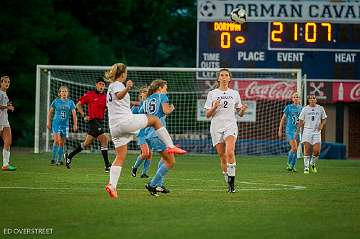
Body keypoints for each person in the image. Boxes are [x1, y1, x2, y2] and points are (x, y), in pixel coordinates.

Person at [104, 63, 186, 199]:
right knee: (154, 120)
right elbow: (119, 96)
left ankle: (112, 185)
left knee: (120, 156)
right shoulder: (118, 85)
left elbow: (136, 109)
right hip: (125, 122)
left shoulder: (111, 88)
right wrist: (128, 88)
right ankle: (171, 147)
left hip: (114, 127)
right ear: (123, 73)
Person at [204, 68, 247, 193]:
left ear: (229, 78)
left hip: (230, 125)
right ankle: (228, 181)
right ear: (218, 78)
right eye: (221, 75)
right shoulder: (212, 93)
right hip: (216, 126)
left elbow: (240, 113)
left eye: (226, 75)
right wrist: (214, 107)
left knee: (229, 152)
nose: (223, 77)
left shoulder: (234, 93)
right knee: (222, 156)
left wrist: (243, 109)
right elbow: (207, 114)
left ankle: (232, 185)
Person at [65, 78, 111, 172]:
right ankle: (107, 165)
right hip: (93, 121)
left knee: (86, 144)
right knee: (104, 139)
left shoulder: (106, 97)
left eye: (103, 84)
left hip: (100, 121)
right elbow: (78, 105)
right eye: (100, 84)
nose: (101, 86)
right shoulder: (90, 94)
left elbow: (106, 108)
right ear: (96, 85)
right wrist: (84, 115)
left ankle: (69, 156)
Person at [140, 79, 175, 196]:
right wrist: (170, 109)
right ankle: (152, 184)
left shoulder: (146, 100)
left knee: (164, 159)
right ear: (160, 88)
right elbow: (166, 111)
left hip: (149, 134)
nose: (167, 90)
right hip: (158, 134)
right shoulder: (162, 97)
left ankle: (158, 185)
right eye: (165, 87)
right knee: (171, 161)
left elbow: (140, 115)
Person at [47, 86, 77, 165]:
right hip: (56, 124)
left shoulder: (70, 102)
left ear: (68, 93)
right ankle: (53, 159)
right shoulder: (56, 101)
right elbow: (50, 112)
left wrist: (75, 124)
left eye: (65, 91)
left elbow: (74, 114)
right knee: (56, 141)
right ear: (59, 93)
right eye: (62, 91)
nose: (64, 93)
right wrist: (48, 122)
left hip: (65, 125)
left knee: (62, 143)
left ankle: (59, 160)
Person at [296, 94, 327, 174]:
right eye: (311, 98)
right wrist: (298, 130)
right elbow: (301, 121)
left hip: (317, 132)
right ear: (308, 100)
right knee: (307, 149)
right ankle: (306, 167)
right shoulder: (305, 109)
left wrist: (322, 125)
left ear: (316, 100)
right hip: (307, 131)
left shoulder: (320, 108)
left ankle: (312, 164)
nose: (312, 99)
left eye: (314, 98)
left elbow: (324, 119)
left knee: (317, 151)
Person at [131, 86, 153, 178]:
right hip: (141, 132)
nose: (145, 94)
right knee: (145, 153)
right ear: (140, 95)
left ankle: (144, 173)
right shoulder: (136, 108)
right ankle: (134, 168)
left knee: (149, 154)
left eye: (147, 92)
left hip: (150, 131)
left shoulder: (151, 105)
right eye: (144, 92)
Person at [278, 92, 302, 172]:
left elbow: (302, 121)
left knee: (295, 149)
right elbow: (282, 119)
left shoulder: (302, 108)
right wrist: (280, 129)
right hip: (290, 130)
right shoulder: (288, 107)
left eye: (297, 97)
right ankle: (289, 163)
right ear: (292, 99)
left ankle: (293, 166)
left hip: (297, 131)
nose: (296, 98)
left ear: (299, 99)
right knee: (294, 148)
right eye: (294, 97)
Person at [0, 76, 16, 171]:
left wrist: (8, 106)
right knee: (7, 141)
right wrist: (7, 107)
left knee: (8, 141)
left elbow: (4, 107)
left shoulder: (5, 94)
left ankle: (5, 164)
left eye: (8, 82)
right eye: (5, 82)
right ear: (1, 83)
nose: (7, 84)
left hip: (5, 121)